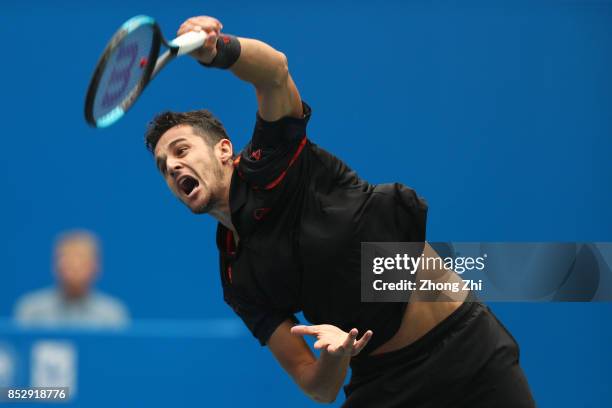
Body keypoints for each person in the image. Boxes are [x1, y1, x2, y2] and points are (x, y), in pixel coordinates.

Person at [144, 15, 535, 407]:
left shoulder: (271, 162)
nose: (174, 166)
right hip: (386, 383)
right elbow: (317, 386)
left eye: (181, 150)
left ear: (225, 151)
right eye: (164, 166)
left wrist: (218, 50)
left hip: (469, 346)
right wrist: (335, 356)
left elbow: (274, 72)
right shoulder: (237, 273)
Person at [14, 230, 129, 328]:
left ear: (96, 267)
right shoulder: (32, 310)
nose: (75, 268)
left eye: (81, 261)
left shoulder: (112, 314)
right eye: (68, 261)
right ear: (55, 265)